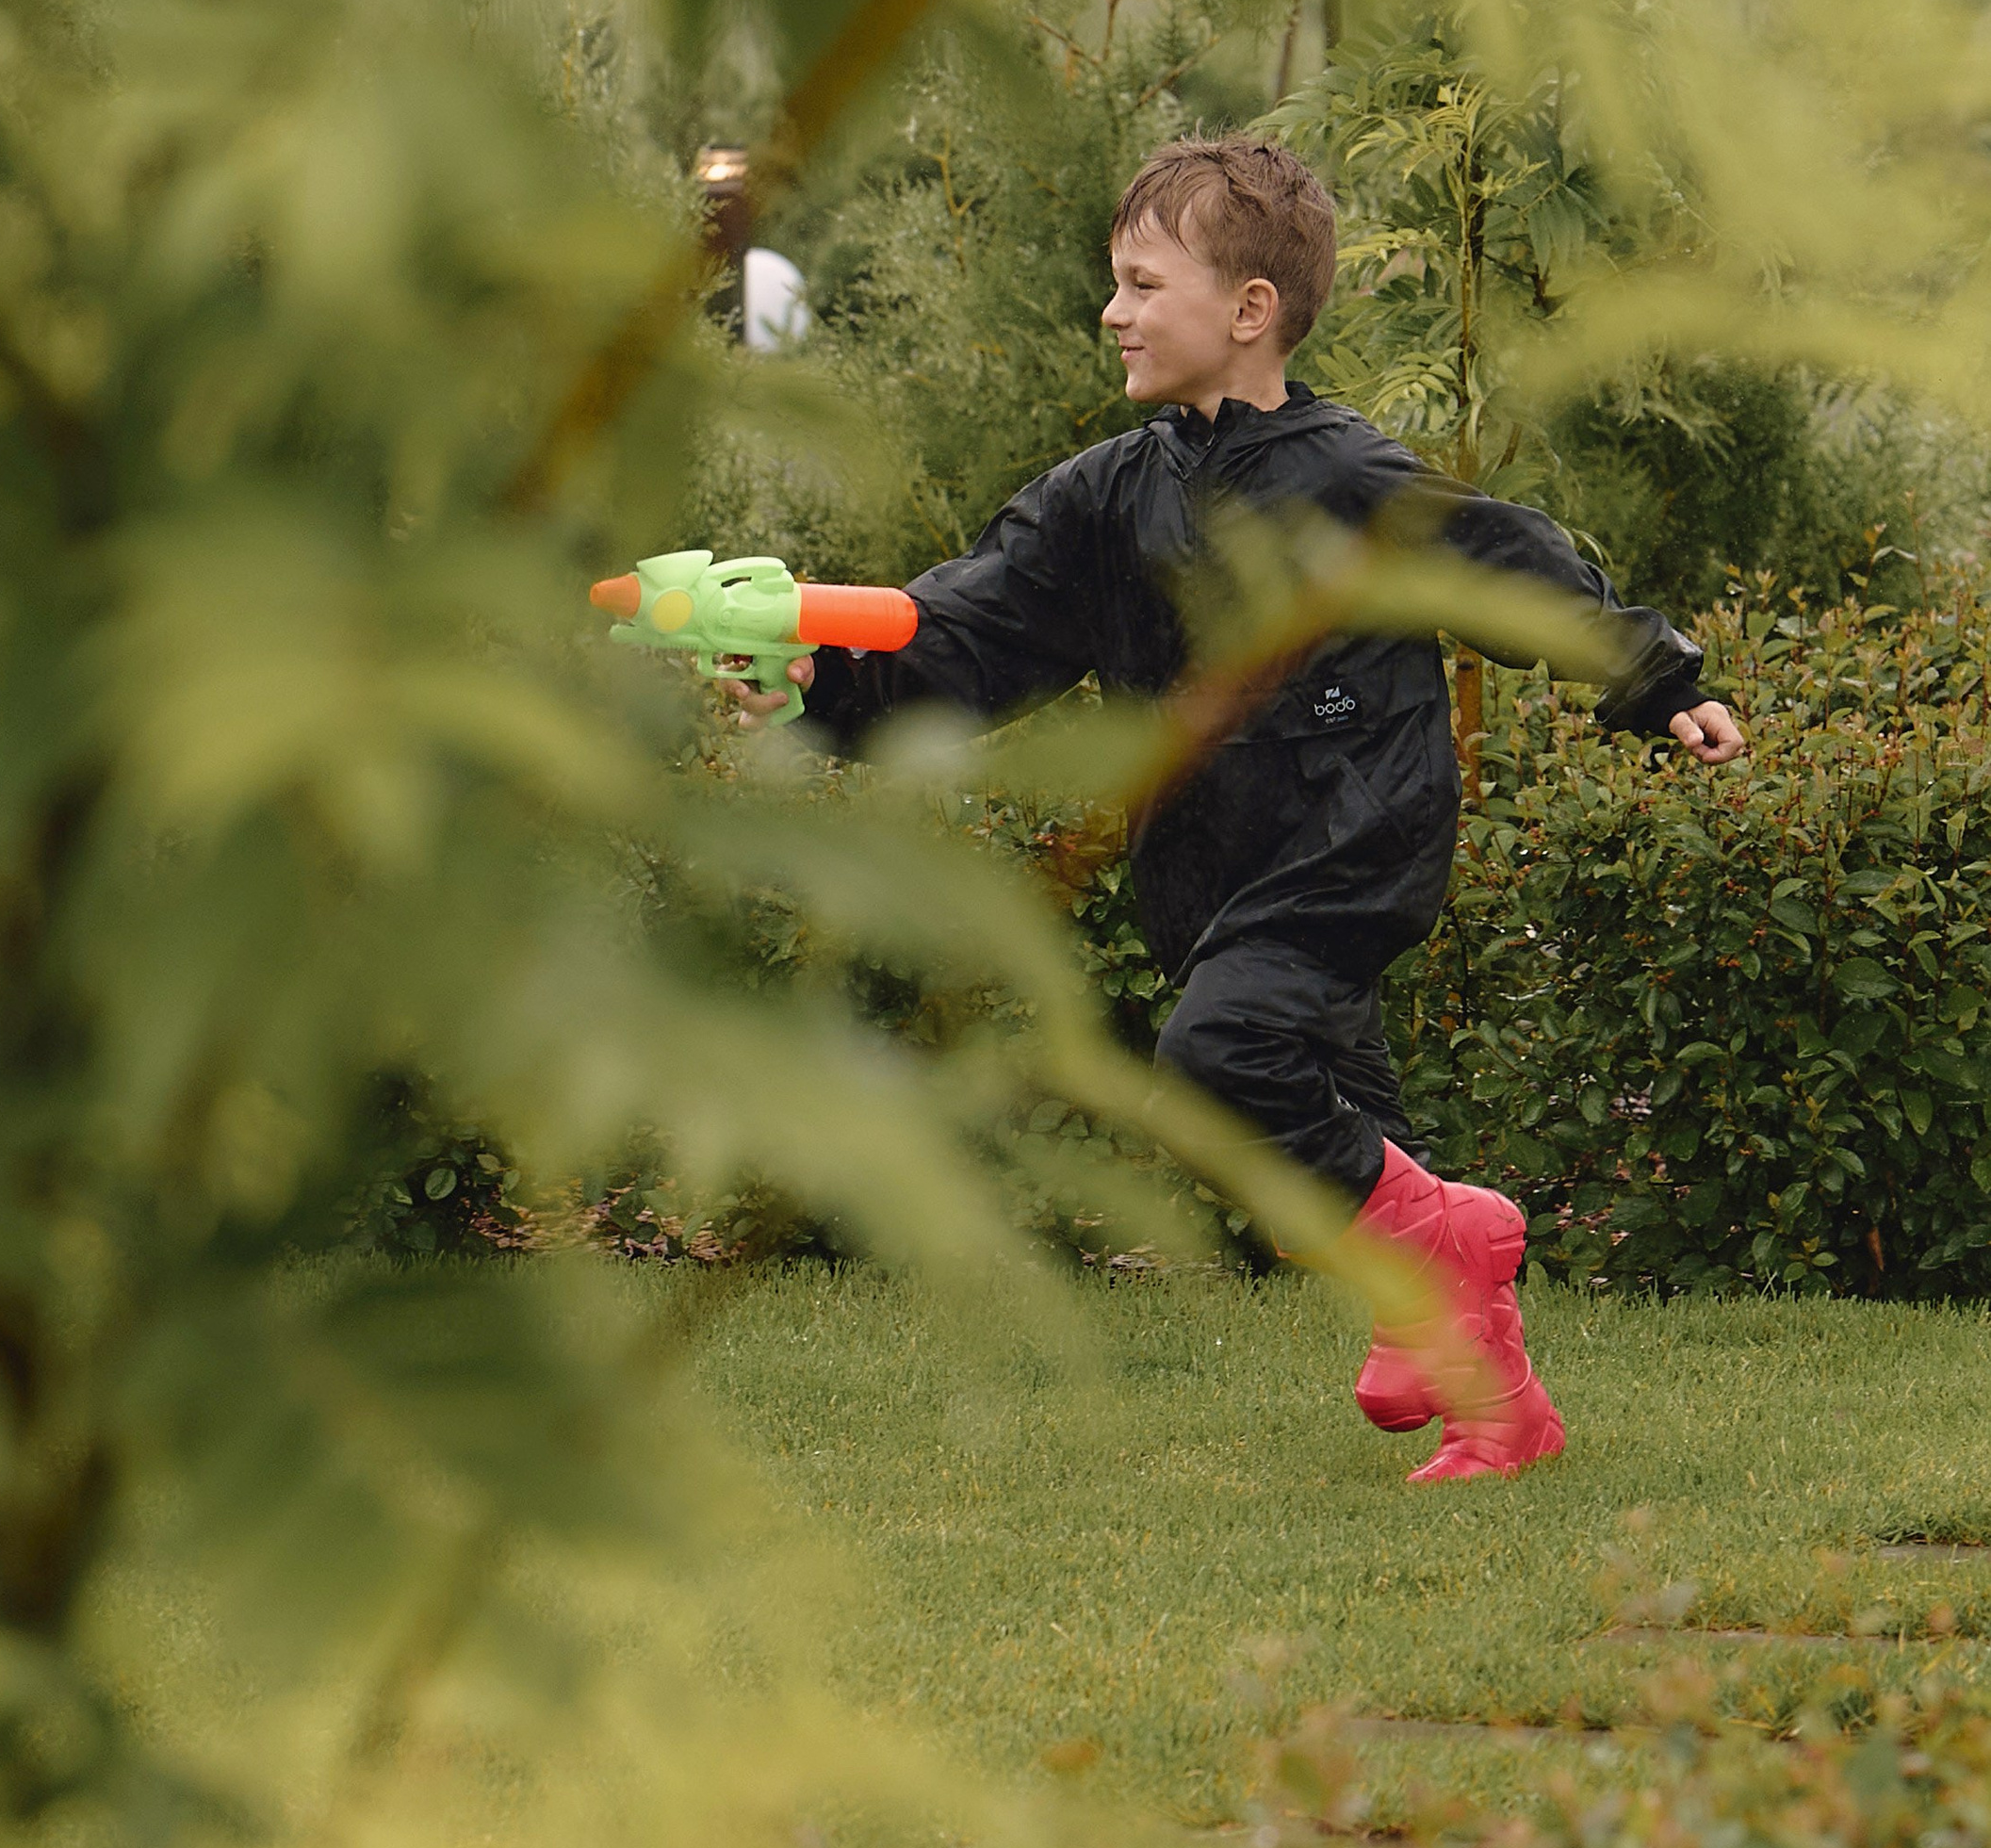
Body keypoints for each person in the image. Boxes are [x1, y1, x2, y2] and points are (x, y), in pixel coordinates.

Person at [734, 135, 1745, 1481]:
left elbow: (1503, 562)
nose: (1114, 312)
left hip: (1350, 838)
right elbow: (965, 633)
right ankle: (1485, 1384)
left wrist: (1652, 676)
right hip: (1209, 869)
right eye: (1118, 283)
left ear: (1249, 310)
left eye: (1145, 284)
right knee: (1356, 1135)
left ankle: (1448, 1242)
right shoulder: (1106, 499)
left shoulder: (1346, 475)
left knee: (1219, 1061)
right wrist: (820, 687)